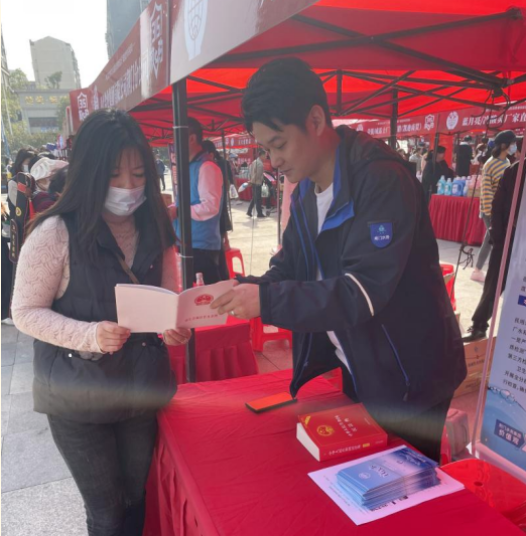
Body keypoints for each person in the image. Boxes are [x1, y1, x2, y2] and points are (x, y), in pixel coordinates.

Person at [212, 57, 466, 463]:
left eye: (279, 144)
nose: (273, 160)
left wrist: (267, 301)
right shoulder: (305, 192)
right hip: (360, 362)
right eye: (266, 149)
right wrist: (245, 288)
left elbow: (361, 291)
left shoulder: (381, 180)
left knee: (404, 484)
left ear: (315, 120)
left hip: (410, 374)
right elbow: (289, 267)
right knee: (361, 473)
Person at [11, 109, 191, 536]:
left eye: (138, 174)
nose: (128, 186)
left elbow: (170, 300)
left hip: (140, 390)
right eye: (114, 174)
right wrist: (89, 334)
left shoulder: (156, 227)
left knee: (136, 497)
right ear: (89, 173)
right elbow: (25, 311)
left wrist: (176, 328)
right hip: (78, 398)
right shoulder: (56, 232)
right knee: (107, 513)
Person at [464, 138, 525, 342]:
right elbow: (497, 206)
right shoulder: (513, 171)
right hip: (507, 239)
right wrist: (498, 237)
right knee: (493, 285)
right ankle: (479, 326)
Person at [172, 117, 224, 284]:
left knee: (207, 295)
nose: (174, 144)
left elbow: (210, 206)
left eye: (177, 138)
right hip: (186, 242)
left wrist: (177, 211)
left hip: (202, 246)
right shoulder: (189, 167)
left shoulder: (207, 167)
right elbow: (187, 201)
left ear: (192, 139)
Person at [471, 130, 516, 283]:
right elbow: (486, 190)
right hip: (491, 211)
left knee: (491, 239)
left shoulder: (507, 163)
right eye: (512, 143)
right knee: (495, 240)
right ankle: (488, 272)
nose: (514, 146)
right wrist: (492, 212)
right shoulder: (490, 164)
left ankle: (479, 270)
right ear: (504, 145)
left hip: (501, 210)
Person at [201, 139, 234, 280]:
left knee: (215, 267)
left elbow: (219, 208)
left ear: (210, 154)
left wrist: (225, 235)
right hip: (213, 230)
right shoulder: (211, 167)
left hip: (213, 229)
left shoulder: (213, 168)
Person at [246, 148, 266, 218]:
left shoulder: (254, 161)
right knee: (258, 199)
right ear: (262, 155)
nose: (265, 157)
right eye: (265, 156)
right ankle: (259, 213)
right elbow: (257, 175)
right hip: (257, 183)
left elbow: (251, 173)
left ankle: (249, 211)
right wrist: (252, 181)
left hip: (254, 182)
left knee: (255, 198)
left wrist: (251, 180)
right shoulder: (260, 164)